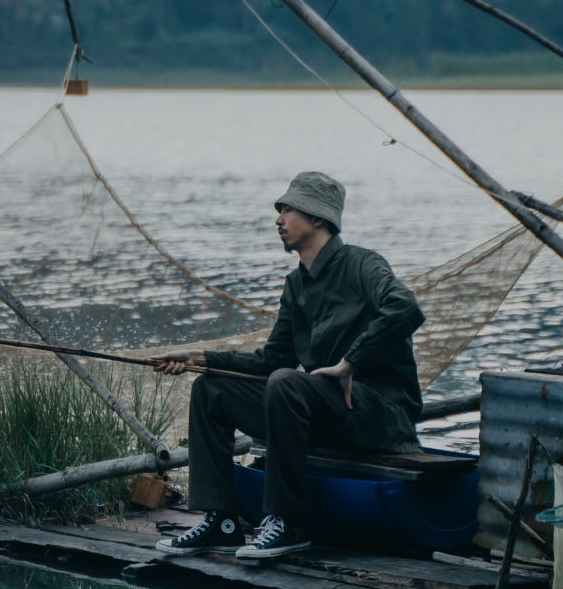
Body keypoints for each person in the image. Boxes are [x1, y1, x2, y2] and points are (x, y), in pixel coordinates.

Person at [151, 170, 423, 561]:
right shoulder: (296, 285)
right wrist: (198, 359)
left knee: (285, 383)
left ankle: (287, 522)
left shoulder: (363, 264)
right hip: (316, 409)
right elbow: (273, 360)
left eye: (288, 210)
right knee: (212, 389)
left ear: (317, 218)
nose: (278, 219)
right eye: (279, 210)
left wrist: (349, 364)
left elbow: (406, 308)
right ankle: (222, 521)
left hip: (377, 414)